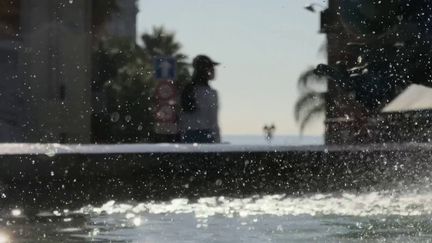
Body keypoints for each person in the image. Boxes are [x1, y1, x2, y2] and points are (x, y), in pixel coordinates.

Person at [179, 55, 221, 143]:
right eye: (211, 68)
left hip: (188, 135)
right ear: (204, 70)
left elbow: (183, 118)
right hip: (207, 136)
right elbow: (213, 121)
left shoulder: (188, 89)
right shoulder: (210, 93)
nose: (213, 70)